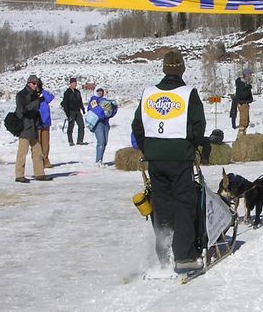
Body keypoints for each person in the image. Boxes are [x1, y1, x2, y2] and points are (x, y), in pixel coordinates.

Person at [131, 50, 206, 273]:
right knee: (184, 204)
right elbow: (198, 126)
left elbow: (137, 126)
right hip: (180, 157)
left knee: (162, 205)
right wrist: (191, 146)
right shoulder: (188, 93)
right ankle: (184, 257)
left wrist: (149, 147)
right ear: (182, 68)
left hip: (155, 159)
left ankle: (164, 254)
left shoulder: (148, 94)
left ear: (164, 69)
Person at [14, 74, 51, 183]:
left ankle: (39, 173)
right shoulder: (21, 94)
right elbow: (23, 110)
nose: (35, 86)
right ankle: (19, 174)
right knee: (22, 152)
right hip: (25, 126)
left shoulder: (36, 94)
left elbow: (46, 100)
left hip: (34, 126)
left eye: (37, 84)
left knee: (37, 151)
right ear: (29, 83)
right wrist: (36, 102)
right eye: (34, 83)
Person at [87, 86, 118, 166]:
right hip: (98, 123)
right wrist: (104, 114)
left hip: (105, 123)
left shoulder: (105, 101)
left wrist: (113, 107)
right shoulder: (93, 100)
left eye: (101, 91)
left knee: (105, 142)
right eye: (98, 91)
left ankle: (101, 159)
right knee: (101, 141)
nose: (100, 92)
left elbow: (111, 111)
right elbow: (95, 109)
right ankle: (98, 160)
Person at [61, 77, 86, 146]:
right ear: (70, 84)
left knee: (81, 126)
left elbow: (80, 101)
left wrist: (83, 109)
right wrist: (67, 114)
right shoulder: (67, 92)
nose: (75, 84)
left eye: (76, 83)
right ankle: (70, 141)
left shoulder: (77, 92)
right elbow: (65, 104)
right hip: (71, 111)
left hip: (78, 111)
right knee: (71, 126)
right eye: (73, 83)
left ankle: (80, 140)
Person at [36, 79, 55, 169]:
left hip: (46, 121)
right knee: (37, 142)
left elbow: (50, 98)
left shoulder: (44, 93)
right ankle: (38, 161)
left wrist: (43, 93)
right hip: (37, 121)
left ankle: (46, 159)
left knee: (45, 143)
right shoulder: (32, 94)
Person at [235, 68, 254, 137]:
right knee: (243, 122)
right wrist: (247, 86)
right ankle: (240, 137)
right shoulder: (241, 83)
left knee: (246, 121)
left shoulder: (244, 83)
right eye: (250, 74)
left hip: (245, 103)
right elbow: (242, 95)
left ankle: (243, 136)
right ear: (246, 75)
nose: (251, 76)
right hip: (242, 104)